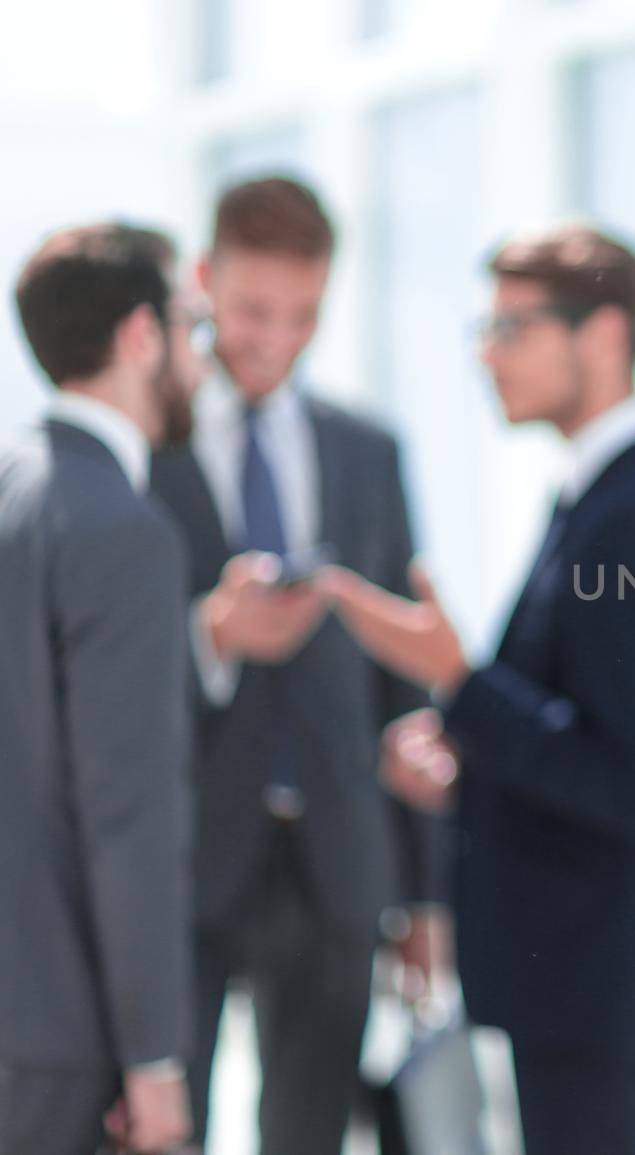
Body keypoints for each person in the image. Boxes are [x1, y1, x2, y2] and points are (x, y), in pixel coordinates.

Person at [322, 225, 635, 1154]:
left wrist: (458, 681)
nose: (485, 353)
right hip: (582, 982)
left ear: (603, 335)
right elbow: (584, 724)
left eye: (513, 326)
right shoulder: (605, 497)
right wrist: (466, 747)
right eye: (485, 325)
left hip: (602, 985)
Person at [147, 177, 443, 1154]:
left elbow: (404, 682)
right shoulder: (145, 448)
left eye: (303, 315)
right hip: (181, 860)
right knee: (160, 1127)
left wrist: (424, 890)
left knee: (310, 1137)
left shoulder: (367, 449)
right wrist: (213, 637)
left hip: (339, 859)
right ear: (202, 283)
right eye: (251, 311)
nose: (275, 338)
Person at [1, 223, 208, 1154]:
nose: (204, 359)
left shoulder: (16, 490)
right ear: (140, 336)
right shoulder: (125, 528)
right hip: (60, 1032)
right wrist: (155, 1057)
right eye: (192, 326)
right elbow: (126, 812)